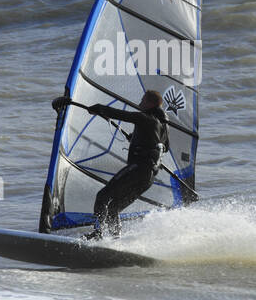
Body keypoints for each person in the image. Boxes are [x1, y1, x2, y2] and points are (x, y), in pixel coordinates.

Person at [56, 90, 170, 239]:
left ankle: (98, 234)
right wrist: (139, 139)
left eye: (142, 101)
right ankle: (116, 238)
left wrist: (99, 108)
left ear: (150, 104)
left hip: (138, 169)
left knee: (102, 196)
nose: (140, 104)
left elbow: (122, 115)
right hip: (148, 177)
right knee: (114, 207)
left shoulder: (146, 119)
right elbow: (164, 147)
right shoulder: (163, 126)